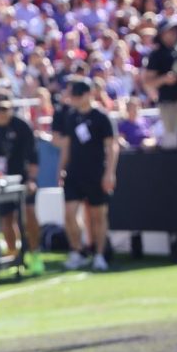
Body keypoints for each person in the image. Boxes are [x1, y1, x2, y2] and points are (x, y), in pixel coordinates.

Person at [0, 94, 44, 275]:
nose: (0, 113)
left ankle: (35, 254)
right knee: (6, 219)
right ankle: (13, 255)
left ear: (11, 108)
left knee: (28, 214)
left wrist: (32, 180)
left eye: (4, 109)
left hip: (22, 178)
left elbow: (33, 157)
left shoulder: (22, 127)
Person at [57, 78, 119, 272]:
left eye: (77, 95)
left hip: (95, 172)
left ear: (88, 94)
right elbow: (66, 146)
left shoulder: (102, 117)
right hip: (74, 173)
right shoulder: (71, 117)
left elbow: (112, 146)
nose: (74, 100)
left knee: (98, 216)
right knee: (69, 214)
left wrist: (110, 173)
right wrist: (61, 169)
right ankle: (78, 251)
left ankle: (99, 255)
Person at [142, 19, 177, 148]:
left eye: (175, 30)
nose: (174, 33)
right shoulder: (156, 54)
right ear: (162, 33)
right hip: (169, 104)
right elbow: (147, 82)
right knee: (173, 142)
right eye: (171, 30)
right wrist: (164, 79)